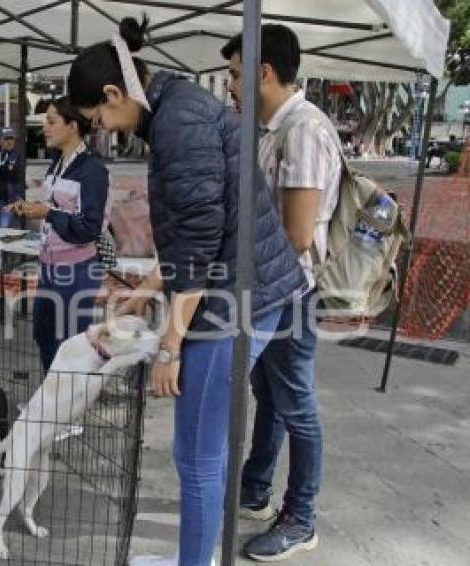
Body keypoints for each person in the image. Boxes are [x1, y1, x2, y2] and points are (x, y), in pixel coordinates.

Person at [67, 16, 307, 566]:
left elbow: (198, 245)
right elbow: (196, 226)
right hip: (246, 290)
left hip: (237, 302)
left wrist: (171, 346)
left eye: (98, 117)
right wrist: (150, 286)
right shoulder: (176, 107)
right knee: (204, 452)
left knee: (196, 455)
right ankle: (195, 558)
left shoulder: (178, 124)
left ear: (112, 92)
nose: (104, 128)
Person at [223, 24, 340, 561]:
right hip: (268, 290)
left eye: (234, 73)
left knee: (296, 403)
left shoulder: (302, 131)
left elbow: (295, 233)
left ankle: (301, 516)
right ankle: (255, 488)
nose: (230, 85)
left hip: (291, 294)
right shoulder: (273, 128)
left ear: (263, 72)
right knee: (268, 396)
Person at [8, 96, 110, 371]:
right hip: (49, 267)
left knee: (72, 344)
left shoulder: (93, 170)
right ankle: (50, 399)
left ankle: (68, 407)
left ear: (73, 126)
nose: (45, 128)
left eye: (52, 121)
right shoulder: (56, 164)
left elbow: (89, 227)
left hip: (76, 270)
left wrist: (47, 213)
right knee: (44, 335)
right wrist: (32, 209)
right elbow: (54, 206)